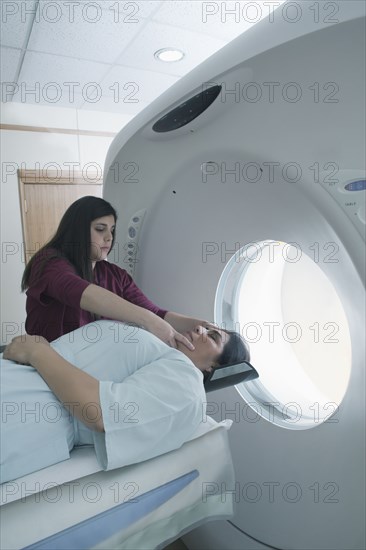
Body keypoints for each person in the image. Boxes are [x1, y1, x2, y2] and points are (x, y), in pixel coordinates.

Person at [1, 321, 250, 483]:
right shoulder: (167, 356)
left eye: (213, 336)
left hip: (33, 412)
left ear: (213, 369)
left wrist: (38, 351)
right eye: (205, 326)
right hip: (24, 383)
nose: (199, 329)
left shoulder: (188, 384)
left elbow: (99, 413)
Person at [22, 196, 212, 348]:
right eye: (100, 229)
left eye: (112, 230)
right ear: (77, 230)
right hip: (48, 362)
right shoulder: (49, 262)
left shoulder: (116, 276)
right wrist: (149, 321)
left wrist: (201, 325)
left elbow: (155, 312)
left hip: (93, 365)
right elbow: (81, 293)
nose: (109, 237)